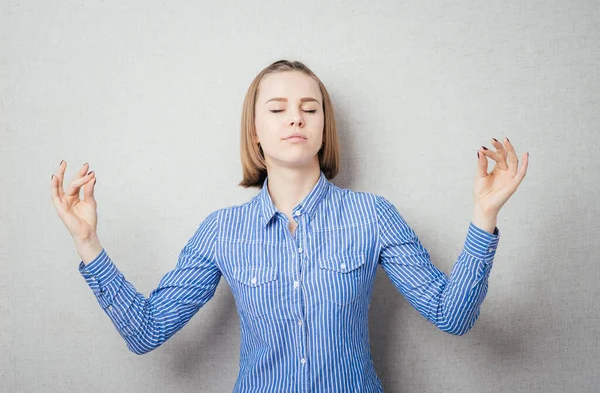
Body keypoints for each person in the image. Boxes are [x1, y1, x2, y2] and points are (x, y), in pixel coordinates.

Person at [50, 59, 529, 392]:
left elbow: (454, 315)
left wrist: (484, 217)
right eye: (277, 109)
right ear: (255, 130)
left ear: (324, 127)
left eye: (310, 108)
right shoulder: (221, 231)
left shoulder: (373, 216)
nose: (295, 118)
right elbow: (146, 330)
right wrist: (87, 241)